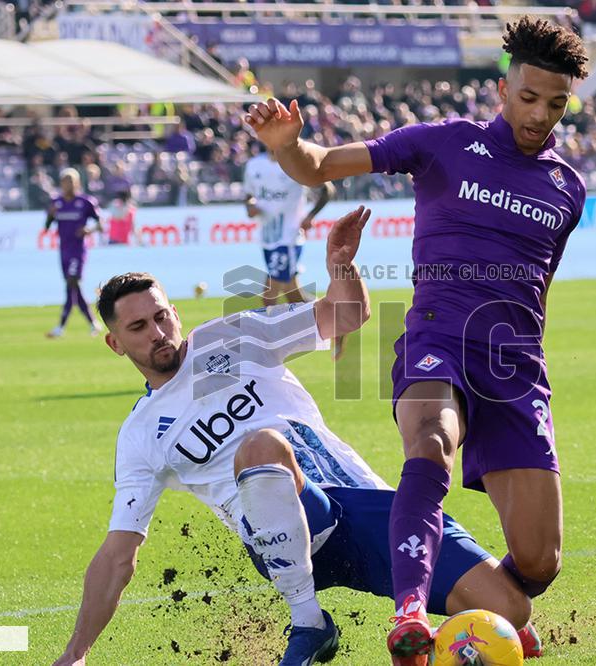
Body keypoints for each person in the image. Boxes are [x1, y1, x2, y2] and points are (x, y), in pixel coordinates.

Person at [244, 16, 588, 665]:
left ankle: (497, 612)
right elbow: (317, 167)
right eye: (528, 97)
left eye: (556, 103)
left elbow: (535, 289)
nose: (540, 114)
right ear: (502, 88)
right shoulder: (443, 143)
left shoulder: (568, 189)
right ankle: (409, 618)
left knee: (540, 563)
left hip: (515, 368)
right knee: (430, 442)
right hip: (438, 339)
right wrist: (287, 147)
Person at [50, 208, 534, 666]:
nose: (158, 332)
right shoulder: (139, 436)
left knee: (511, 610)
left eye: (161, 317)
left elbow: (345, 315)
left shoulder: (229, 337)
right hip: (286, 542)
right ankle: (309, 620)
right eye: (138, 327)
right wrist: (76, 652)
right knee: (260, 447)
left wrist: (341, 266)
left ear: (175, 312)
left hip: (362, 502)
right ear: (116, 343)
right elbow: (119, 554)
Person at [242, 147, 334, 308]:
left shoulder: (295, 164)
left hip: (289, 238)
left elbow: (327, 190)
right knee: (294, 297)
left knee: (269, 296)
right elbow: (249, 195)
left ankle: (270, 332)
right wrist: (250, 206)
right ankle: (333, 317)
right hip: (267, 238)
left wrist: (310, 215)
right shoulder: (254, 164)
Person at [44, 168, 104, 338]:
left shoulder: (86, 202)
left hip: (78, 251)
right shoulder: (56, 202)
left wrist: (89, 230)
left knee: (71, 283)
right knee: (73, 287)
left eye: (70, 181)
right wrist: (50, 215)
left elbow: (101, 224)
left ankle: (61, 327)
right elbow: (47, 227)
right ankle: (93, 323)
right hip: (63, 251)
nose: (67, 185)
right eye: (64, 181)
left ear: (77, 183)